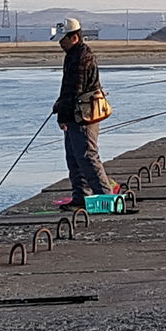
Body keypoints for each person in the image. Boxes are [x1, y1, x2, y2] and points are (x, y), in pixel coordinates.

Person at [53, 17, 114, 210]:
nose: (60, 43)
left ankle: (105, 197)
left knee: (87, 155)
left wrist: (62, 115)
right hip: (74, 113)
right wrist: (60, 106)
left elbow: (75, 90)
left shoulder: (81, 56)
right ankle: (81, 196)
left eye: (63, 39)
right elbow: (67, 90)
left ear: (73, 37)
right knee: (74, 156)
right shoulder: (73, 54)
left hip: (83, 115)